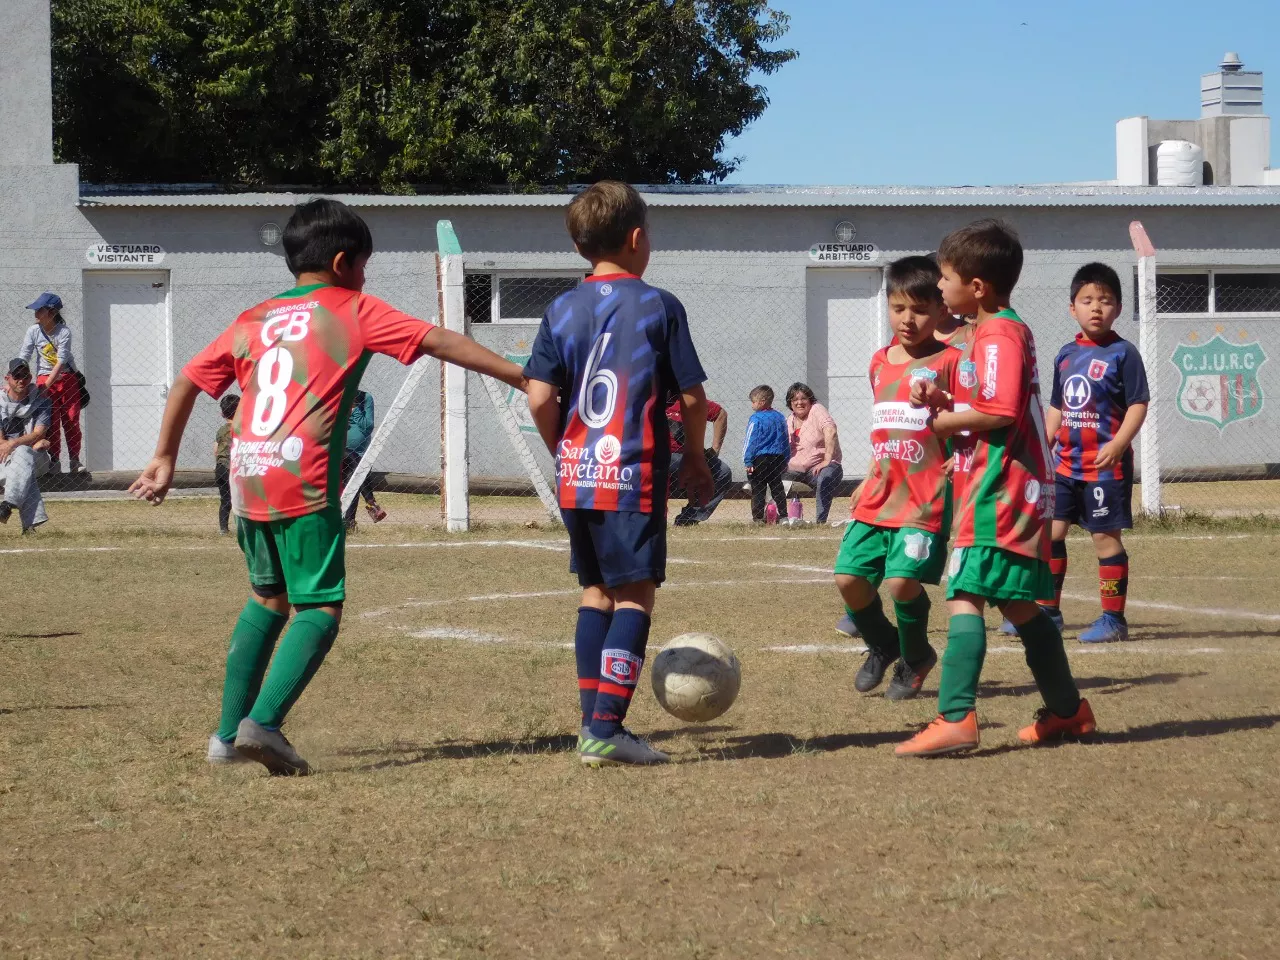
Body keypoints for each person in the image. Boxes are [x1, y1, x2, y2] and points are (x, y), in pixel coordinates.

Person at [129, 198, 527, 776]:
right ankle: (261, 724)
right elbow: (438, 341)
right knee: (319, 604)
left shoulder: (253, 318)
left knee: (268, 598)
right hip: (301, 474)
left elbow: (189, 380)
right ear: (344, 262)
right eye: (364, 265)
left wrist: (164, 456)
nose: (365, 276)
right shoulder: (352, 308)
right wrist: (519, 372)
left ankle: (222, 738)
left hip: (248, 472)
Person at [524, 180, 713, 768]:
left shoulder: (560, 308)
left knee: (595, 590)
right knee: (636, 594)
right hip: (631, 472)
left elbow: (537, 397)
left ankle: (592, 722)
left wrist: (567, 449)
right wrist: (696, 458)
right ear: (637, 239)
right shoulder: (660, 305)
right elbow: (693, 398)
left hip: (578, 474)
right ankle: (606, 728)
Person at [898, 219, 1094, 757]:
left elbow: (1001, 411)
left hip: (999, 485)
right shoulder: (989, 335)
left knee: (965, 591)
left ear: (976, 287)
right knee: (1017, 604)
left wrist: (942, 425)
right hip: (996, 480)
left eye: (944, 278)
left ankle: (956, 716)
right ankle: (1068, 711)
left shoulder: (999, 334)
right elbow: (991, 403)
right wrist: (942, 402)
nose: (939, 287)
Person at [836, 256, 960, 701]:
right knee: (849, 579)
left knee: (902, 582)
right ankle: (883, 644)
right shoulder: (878, 362)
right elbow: (885, 428)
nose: (908, 319)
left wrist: (959, 455)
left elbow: (970, 421)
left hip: (924, 496)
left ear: (942, 310)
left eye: (920, 309)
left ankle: (915, 655)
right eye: (899, 308)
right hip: (880, 492)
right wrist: (870, 472)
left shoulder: (952, 363)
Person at [1015, 262, 1147, 643]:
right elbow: (1057, 406)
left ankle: (1113, 619)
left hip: (1105, 470)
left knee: (1105, 540)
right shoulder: (1066, 354)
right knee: (1050, 533)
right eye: (1087, 300)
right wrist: (1046, 442)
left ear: (1118, 308)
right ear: (1072, 307)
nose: (1096, 308)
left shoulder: (1125, 354)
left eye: (1105, 301)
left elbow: (1139, 404)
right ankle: (1048, 611)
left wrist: (1119, 443)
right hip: (1065, 467)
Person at [20, 292, 86, 476]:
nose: (35, 314)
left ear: (51, 312)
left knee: (71, 420)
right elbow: (24, 356)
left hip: (66, 378)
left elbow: (61, 360)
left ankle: (75, 460)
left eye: (39, 310)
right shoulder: (33, 331)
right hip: (44, 378)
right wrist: (16, 378)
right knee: (51, 422)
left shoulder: (64, 332)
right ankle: (54, 460)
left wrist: (46, 385)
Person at [0, 358, 53, 533]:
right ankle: (29, 526)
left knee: (23, 452)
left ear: (30, 378)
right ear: (7, 377)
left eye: (25, 376)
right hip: (5, 459)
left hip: (37, 457)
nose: (21, 380)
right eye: (16, 376)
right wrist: (15, 445)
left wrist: (14, 443)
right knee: (23, 470)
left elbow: (38, 434)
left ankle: (8, 504)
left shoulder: (42, 402)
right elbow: (0, 443)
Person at [666, 389, 732, 525]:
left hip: (687, 457)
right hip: (658, 456)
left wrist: (715, 449)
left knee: (723, 472)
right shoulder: (650, 400)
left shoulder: (689, 400)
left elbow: (720, 414)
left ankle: (690, 517)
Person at [783, 382, 843, 524]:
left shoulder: (817, 410)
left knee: (825, 478)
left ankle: (820, 521)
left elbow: (830, 430)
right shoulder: (789, 419)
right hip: (795, 469)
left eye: (803, 398)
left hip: (820, 467)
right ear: (790, 403)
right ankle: (777, 518)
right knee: (771, 477)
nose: (799, 403)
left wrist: (827, 459)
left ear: (810, 400)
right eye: (794, 400)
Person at [340, 389, 387, 531]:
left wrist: (355, 409)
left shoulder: (365, 398)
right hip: (338, 450)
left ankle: (348, 524)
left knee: (353, 477)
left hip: (360, 452)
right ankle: (371, 502)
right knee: (358, 467)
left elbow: (368, 426)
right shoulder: (338, 395)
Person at [742, 385, 789, 523]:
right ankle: (784, 516)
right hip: (777, 458)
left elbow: (750, 440)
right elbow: (785, 439)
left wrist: (748, 460)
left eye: (753, 401)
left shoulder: (755, 419)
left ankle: (757, 518)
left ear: (761, 402)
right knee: (777, 486)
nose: (752, 405)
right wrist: (785, 459)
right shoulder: (780, 417)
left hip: (760, 459)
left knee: (758, 488)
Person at [214, 394, 239, 535]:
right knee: (239, 499)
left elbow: (215, 451)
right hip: (233, 468)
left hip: (220, 467)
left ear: (222, 413)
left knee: (225, 500)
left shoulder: (221, 430)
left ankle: (223, 528)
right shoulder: (241, 429)